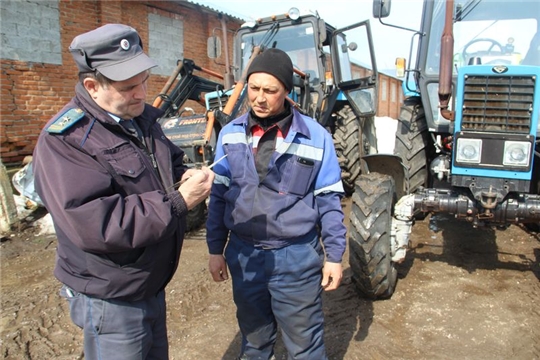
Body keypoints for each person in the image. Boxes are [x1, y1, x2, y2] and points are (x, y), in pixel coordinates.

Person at [32, 24, 214, 359]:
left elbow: (166, 162)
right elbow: (97, 223)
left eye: (144, 80)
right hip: (110, 296)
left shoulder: (139, 119)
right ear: (92, 86)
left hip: (148, 284)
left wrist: (184, 173)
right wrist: (177, 201)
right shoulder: (67, 141)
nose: (142, 93)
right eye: (129, 87)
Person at [206, 48, 347, 360]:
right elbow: (218, 197)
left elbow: (329, 201)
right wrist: (215, 250)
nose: (259, 98)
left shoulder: (316, 137)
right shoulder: (229, 135)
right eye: (254, 89)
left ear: (286, 91)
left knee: (304, 344)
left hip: (294, 258)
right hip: (244, 256)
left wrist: (335, 256)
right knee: (254, 341)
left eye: (270, 91)